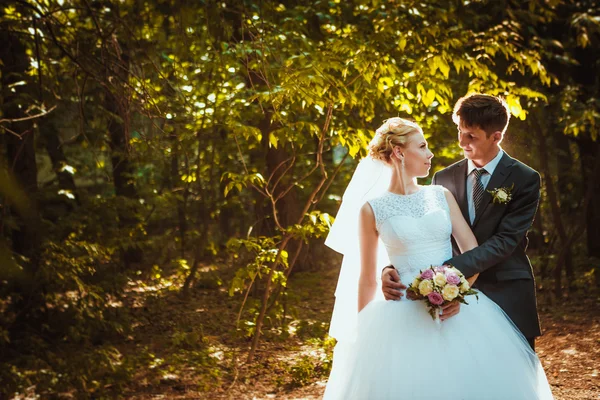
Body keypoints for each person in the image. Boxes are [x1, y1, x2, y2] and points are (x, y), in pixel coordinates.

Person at [323, 116, 553, 399]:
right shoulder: (372, 209)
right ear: (399, 152)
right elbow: (366, 278)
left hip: (457, 312)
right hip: (400, 313)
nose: (430, 153)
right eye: (422, 146)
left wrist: (457, 293)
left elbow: (472, 252)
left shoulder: (440, 194)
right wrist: (363, 334)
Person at [381, 94, 541, 350]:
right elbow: (425, 231)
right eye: (459, 131)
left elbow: (506, 240)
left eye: (471, 136)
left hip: (503, 288)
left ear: (496, 136)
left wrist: (450, 274)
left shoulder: (525, 178)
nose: (461, 142)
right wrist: (392, 268)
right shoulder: (443, 178)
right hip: (445, 297)